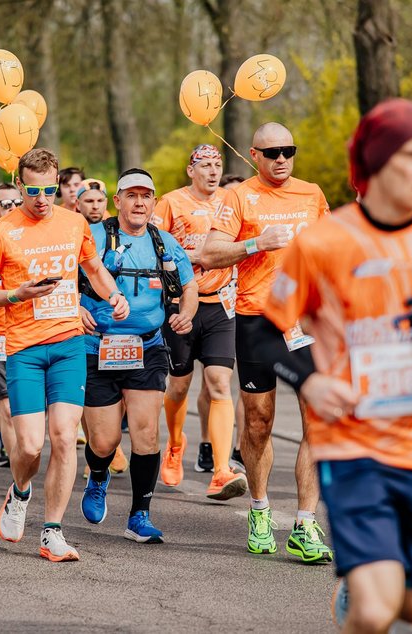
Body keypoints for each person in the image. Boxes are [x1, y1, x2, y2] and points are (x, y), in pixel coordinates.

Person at [260, 99, 412, 632]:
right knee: (375, 610)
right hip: (357, 447)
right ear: (375, 164)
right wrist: (312, 380)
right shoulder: (323, 242)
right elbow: (263, 333)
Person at [0, 148, 129, 562]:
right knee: (29, 446)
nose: (42, 198)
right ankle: (20, 492)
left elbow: (94, 269)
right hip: (23, 347)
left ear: (60, 185)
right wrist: (15, 294)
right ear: (21, 185)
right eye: (34, 190)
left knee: (64, 438)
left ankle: (52, 532)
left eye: (50, 189)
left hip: (67, 344)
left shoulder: (74, 222)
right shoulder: (2, 231)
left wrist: (115, 295)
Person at [201, 123, 332, 562]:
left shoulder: (311, 194)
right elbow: (208, 253)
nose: (281, 159)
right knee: (259, 422)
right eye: (272, 152)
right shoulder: (238, 197)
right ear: (254, 155)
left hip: (306, 321)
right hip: (257, 319)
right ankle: (259, 509)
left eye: (288, 151)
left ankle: (305, 524)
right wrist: (255, 243)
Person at [79, 168, 197, 542]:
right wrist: (74, 309)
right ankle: (98, 476)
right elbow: (64, 279)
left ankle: (139, 515)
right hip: (97, 348)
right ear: (118, 201)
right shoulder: (94, 237)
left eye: (146, 195)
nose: (140, 202)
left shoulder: (164, 243)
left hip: (146, 347)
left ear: (153, 201)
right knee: (104, 442)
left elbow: (189, 286)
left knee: (146, 433)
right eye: (132, 195)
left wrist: (186, 315)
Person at [152, 144, 246, 500]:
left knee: (220, 383)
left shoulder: (233, 200)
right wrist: (198, 255)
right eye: (205, 165)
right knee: (178, 386)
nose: (212, 171)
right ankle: (175, 443)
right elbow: (156, 247)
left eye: (218, 164)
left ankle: (221, 470)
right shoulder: (172, 203)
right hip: (180, 305)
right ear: (190, 170)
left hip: (221, 305)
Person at [0, 183, 23, 468]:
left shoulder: (36, 239)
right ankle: (20, 479)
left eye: (16, 202)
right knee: (8, 409)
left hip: (34, 336)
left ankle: (26, 455)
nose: (12, 208)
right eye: (5, 205)